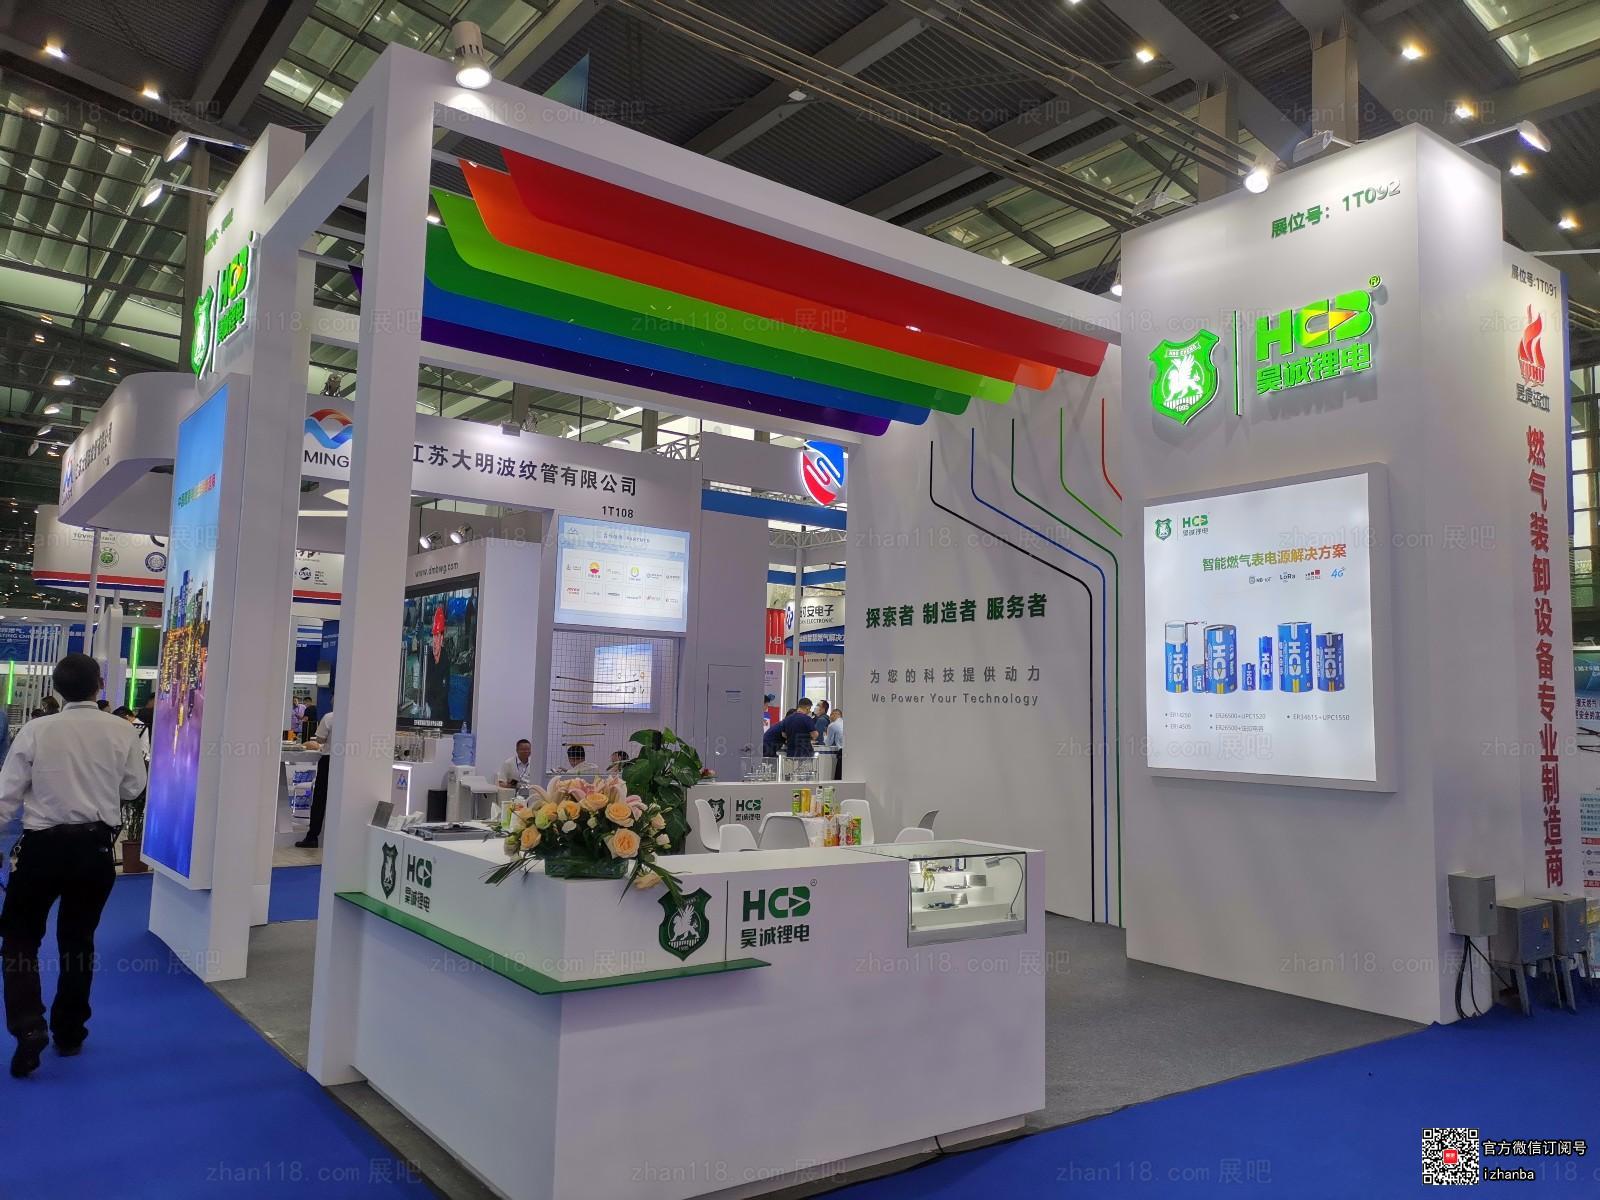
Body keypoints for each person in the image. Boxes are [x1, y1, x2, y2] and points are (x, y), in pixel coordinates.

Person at [0, 653, 147, 1077]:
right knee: (78, 940)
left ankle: (28, 1024)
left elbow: (7, 794)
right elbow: (133, 787)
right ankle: (69, 1033)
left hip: (40, 849)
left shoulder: (36, 730)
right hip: (94, 849)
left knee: (20, 938)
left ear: (56, 688)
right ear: (99, 685)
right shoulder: (122, 730)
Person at [295, 709, 334, 849]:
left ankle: (312, 837)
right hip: (350, 761)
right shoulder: (356, 717)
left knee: (320, 799)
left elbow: (320, 739)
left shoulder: (329, 717)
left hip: (329, 760)